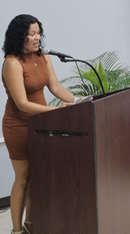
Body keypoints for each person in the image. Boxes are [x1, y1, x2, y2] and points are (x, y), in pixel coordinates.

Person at [2, 14, 85, 234]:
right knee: (25, 176)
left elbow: (56, 88)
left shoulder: (43, 57)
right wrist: (56, 111)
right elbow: (21, 103)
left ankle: (32, 224)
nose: (37, 37)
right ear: (20, 36)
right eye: (32, 34)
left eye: (39, 32)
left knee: (40, 174)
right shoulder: (12, 63)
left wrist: (78, 101)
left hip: (41, 123)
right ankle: (17, 230)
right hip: (18, 126)